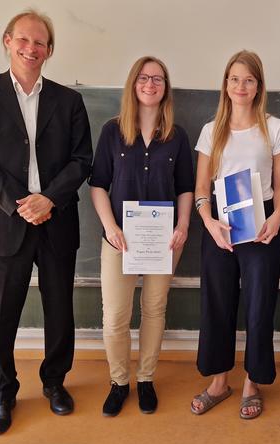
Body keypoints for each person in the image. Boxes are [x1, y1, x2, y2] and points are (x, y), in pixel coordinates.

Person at [0, 9, 92, 435]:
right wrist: (22, 202)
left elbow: (81, 160)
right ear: (7, 41)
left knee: (59, 311)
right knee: (1, 315)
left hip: (57, 219)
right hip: (4, 220)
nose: (30, 48)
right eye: (23, 40)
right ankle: (3, 392)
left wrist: (48, 200)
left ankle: (55, 382)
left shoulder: (69, 101)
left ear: (49, 50)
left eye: (40, 43)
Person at [89, 56, 194, 416]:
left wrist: (183, 225)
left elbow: (185, 188)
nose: (150, 85)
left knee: (154, 309)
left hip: (164, 241)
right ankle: (119, 382)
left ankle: (146, 379)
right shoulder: (111, 131)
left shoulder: (177, 137)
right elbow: (98, 185)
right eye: (144, 78)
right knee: (115, 316)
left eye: (158, 79)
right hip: (119, 240)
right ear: (133, 84)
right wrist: (111, 227)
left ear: (166, 88)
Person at [190, 50, 280, 419]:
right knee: (217, 301)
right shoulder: (210, 130)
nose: (240, 86)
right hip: (219, 222)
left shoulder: (275, 127)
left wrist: (278, 215)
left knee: (259, 303)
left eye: (248, 79)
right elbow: (201, 185)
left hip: (262, 220)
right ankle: (219, 381)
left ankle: (253, 381)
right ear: (226, 84)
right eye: (234, 78)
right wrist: (208, 220)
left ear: (258, 85)